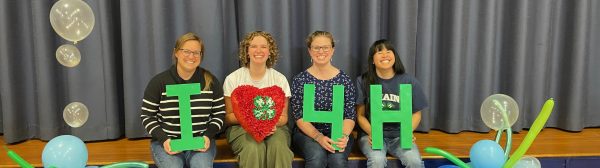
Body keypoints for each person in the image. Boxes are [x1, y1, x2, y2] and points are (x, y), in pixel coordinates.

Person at [140, 32, 225, 168]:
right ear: (176, 53)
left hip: (200, 142)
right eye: (186, 51)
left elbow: (219, 115)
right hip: (168, 143)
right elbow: (147, 116)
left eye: (196, 52)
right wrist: (164, 139)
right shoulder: (159, 82)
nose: (191, 56)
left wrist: (207, 136)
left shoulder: (211, 82)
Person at [223, 31, 294, 168]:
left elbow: (284, 117)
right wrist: (254, 124)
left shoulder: (280, 79)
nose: (258, 51)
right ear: (247, 51)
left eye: (264, 46)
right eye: (253, 46)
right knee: (253, 148)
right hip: (241, 128)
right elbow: (229, 117)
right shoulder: (233, 79)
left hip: (275, 128)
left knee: (279, 147)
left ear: (270, 51)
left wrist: (268, 125)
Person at [356, 39, 428, 168]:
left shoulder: (409, 80)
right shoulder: (363, 81)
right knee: (377, 160)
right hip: (371, 135)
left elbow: (416, 114)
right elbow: (360, 115)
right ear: (372, 59)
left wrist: (407, 131)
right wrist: (372, 132)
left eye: (388, 51)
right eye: (379, 52)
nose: (385, 55)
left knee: (414, 161)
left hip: (399, 135)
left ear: (395, 56)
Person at [291, 30, 357, 168]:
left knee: (337, 160)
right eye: (316, 47)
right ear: (310, 51)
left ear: (332, 50)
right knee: (317, 158)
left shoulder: (344, 80)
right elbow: (299, 117)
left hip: (339, 130)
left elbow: (350, 115)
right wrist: (318, 137)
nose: (321, 51)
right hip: (308, 133)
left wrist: (343, 136)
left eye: (325, 47)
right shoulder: (300, 80)